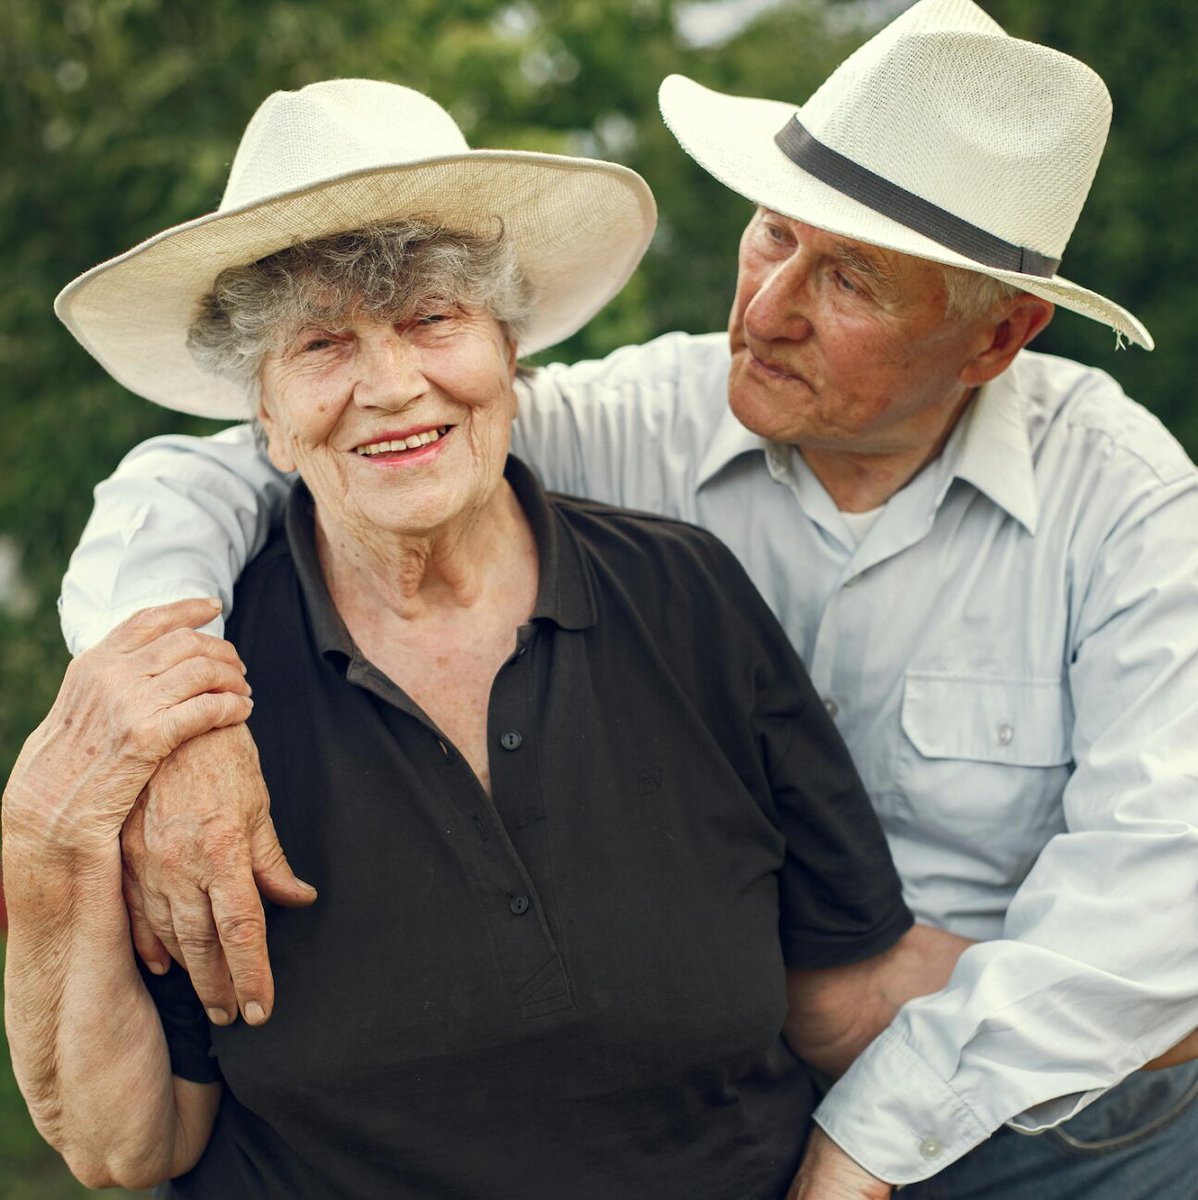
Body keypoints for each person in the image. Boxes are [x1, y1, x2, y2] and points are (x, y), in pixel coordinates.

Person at [51, 1, 1198, 1197]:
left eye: (849, 277)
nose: (762, 309)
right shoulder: (643, 413)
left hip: (1048, 1116)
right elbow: (253, 463)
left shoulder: (1124, 507)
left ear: (994, 338)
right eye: (770, 236)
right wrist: (170, 711)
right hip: (753, 1090)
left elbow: (1144, 923)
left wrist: (864, 1144)